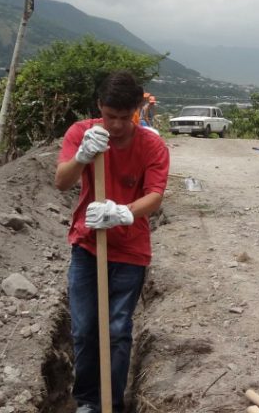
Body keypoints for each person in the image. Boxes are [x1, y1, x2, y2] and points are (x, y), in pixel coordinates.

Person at [54, 71, 170, 413]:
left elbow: (155, 196)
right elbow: (61, 181)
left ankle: (112, 403)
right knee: (85, 329)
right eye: (109, 116)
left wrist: (123, 212)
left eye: (124, 118)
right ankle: (89, 401)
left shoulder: (152, 145)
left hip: (130, 250)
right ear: (99, 107)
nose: (116, 125)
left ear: (136, 110)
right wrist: (83, 157)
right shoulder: (82, 133)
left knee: (118, 331)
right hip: (88, 245)